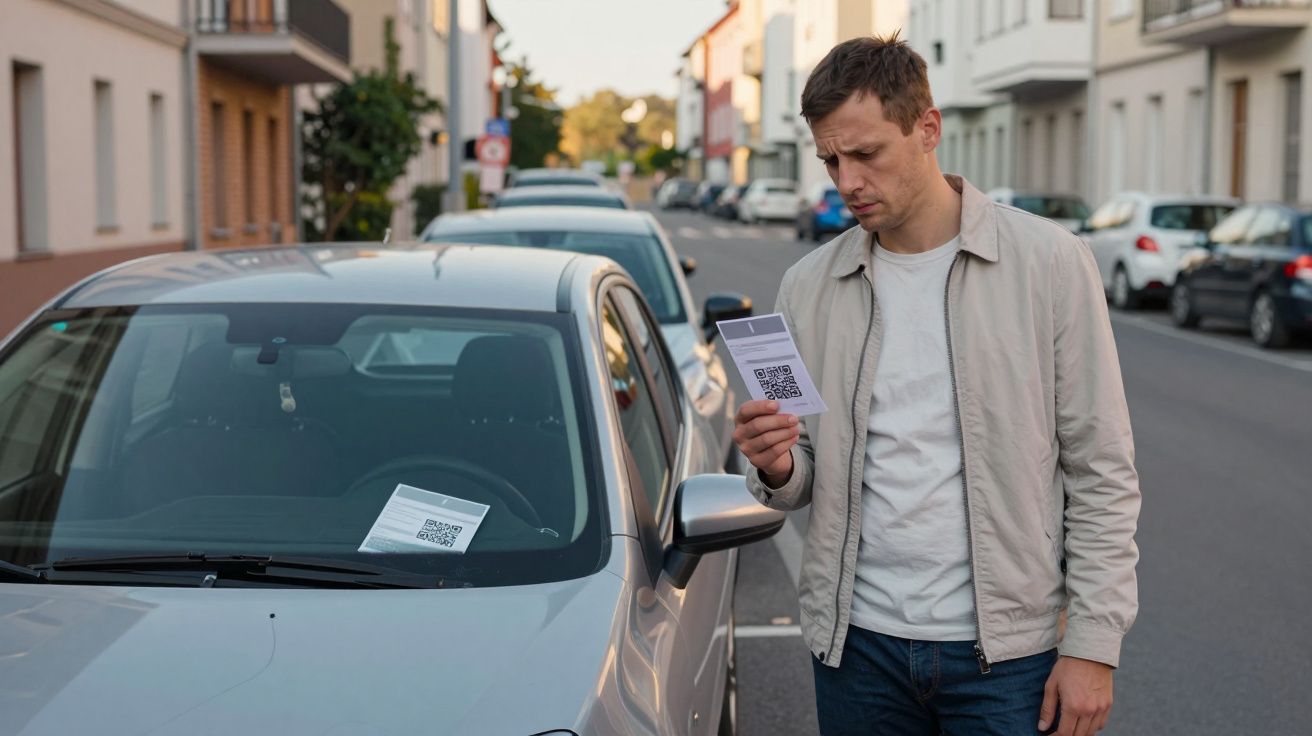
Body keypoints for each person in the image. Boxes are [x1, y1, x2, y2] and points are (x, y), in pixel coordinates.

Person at [733, 35, 1140, 736]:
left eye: (866, 154)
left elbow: (1102, 469)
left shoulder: (1049, 263)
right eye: (831, 160)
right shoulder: (807, 286)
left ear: (928, 128)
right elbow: (801, 477)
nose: (846, 181)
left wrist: (1094, 646)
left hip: (1008, 657)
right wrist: (773, 464)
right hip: (857, 650)